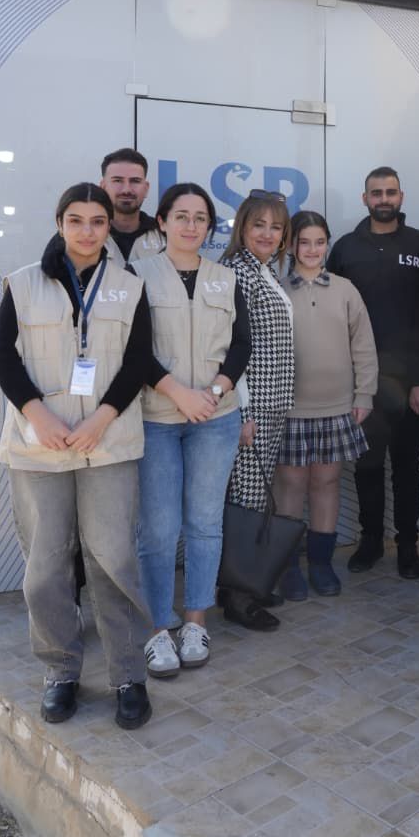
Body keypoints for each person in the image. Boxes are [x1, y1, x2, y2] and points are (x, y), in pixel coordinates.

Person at [0, 183, 153, 729]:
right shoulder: (22, 284)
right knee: (46, 566)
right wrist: (38, 415)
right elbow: (4, 358)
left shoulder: (129, 286)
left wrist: (101, 418)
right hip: (39, 446)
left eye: (98, 222)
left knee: (113, 560)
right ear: (59, 223)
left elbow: (138, 360)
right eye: (76, 220)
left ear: (109, 227)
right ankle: (60, 670)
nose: (88, 231)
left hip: (107, 443)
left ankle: (128, 674)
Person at [134, 184, 251, 678]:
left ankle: (196, 622)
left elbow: (241, 344)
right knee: (159, 530)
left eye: (200, 218)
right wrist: (180, 394)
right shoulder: (137, 274)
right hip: (157, 418)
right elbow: (133, 349)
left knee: (205, 523)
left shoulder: (226, 278)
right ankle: (157, 628)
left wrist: (217, 391)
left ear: (209, 227)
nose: (190, 225)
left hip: (215, 419)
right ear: (161, 222)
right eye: (180, 216)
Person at [327, 167, 419, 579]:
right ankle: (371, 541)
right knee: (368, 466)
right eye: (376, 193)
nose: (384, 199)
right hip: (362, 385)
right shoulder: (345, 248)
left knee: (407, 467)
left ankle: (408, 546)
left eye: (391, 192)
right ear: (365, 199)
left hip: (410, 383)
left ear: (401, 196)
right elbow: (335, 317)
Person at [275, 212, 378, 599]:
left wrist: (364, 393)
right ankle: (288, 566)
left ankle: (321, 563)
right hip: (290, 408)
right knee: (290, 485)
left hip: (336, 407)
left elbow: (363, 345)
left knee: (326, 482)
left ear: (327, 244)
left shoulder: (345, 289)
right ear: (291, 245)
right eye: (304, 242)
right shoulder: (277, 289)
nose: (312, 249)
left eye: (319, 242)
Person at [220, 191, 294, 630]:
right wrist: (242, 411)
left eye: (276, 227)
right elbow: (233, 347)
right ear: (242, 228)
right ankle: (237, 597)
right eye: (259, 225)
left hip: (272, 405)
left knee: (253, 498)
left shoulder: (264, 271)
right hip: (253, 408)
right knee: (245, 501)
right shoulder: (236, 272)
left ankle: (244, 582)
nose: (267, 234)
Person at [100, 148, 163, 264]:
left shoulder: (165, 236)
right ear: (103, 187)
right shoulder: (85, 234)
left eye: (135, 181)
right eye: (118, 180)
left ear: (146, 189)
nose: (126, 190)